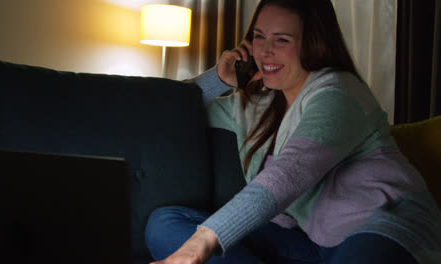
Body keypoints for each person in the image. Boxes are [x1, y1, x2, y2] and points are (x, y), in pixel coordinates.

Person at [145, 0, 441, 263]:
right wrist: (219, 79)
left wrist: (201, 243)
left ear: (313, 43)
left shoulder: (339, 92)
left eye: (282, 40)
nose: (265, 51)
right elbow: (166, 114)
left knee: (192, 241)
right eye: (259, 36)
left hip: (384, 226)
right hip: (312, 243)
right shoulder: (250, 106)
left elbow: (288, 174)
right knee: (166, 223)